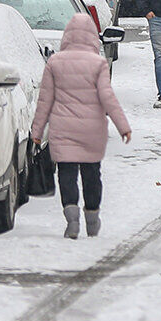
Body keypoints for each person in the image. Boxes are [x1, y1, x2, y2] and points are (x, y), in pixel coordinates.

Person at [30, 13, 132, 239]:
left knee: (66, 173)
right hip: (92, 130)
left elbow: (44, 101)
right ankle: (92, 218)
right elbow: (108, 97)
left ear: (68, 36)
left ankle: (72, 220)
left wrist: (37, 132)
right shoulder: (98, 64)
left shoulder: (55, 63)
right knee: (91, 173)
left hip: (62, 128)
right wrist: (123, 126)